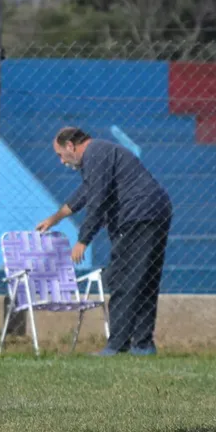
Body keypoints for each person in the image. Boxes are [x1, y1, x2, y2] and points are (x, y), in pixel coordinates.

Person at [36, 128, 172, 356]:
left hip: (138, 216)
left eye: (60, 154)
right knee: (145, 280)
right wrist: (56, 218)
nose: (61, 161)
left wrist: (83, 240)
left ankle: (117, 345)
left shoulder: (95, 154)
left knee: (122, 278)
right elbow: (86, 192)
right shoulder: (101, 153)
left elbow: (98, 199)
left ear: (71, 145)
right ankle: (142, 344)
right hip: (156, 212)